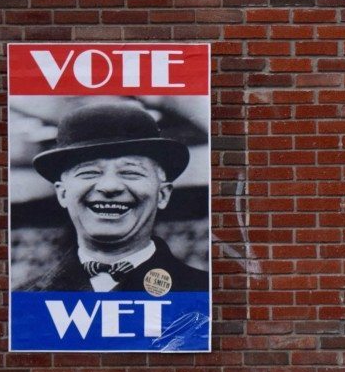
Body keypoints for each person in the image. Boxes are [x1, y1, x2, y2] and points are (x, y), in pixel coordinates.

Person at [16, 102, 209, 294]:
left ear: (163, 194)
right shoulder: (26, 299)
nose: (110, 187)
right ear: (62, 193)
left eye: (130, 172)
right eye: (89, 172)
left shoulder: (203, 293)